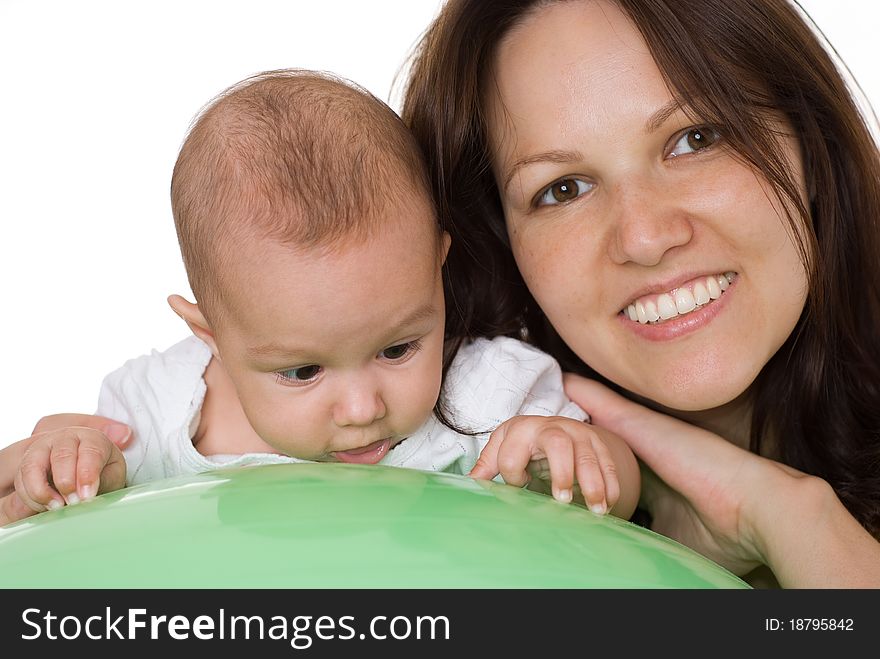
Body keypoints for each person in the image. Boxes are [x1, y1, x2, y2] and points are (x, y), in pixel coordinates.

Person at [0, 69, 639, 527]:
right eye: (302, 371)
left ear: (437, 270)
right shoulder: (155, 412)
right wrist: (74, 473)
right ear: (210, 333)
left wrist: (576, 456)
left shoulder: (486, 395)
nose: (362, 408)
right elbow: (103, 525)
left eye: (397, 348)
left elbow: (621, 498)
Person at [400, 0, 880, 587]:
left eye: (694, 138)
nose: (645, 238)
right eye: (563, 189)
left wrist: (805, 520)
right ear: (500, 245)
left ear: (809, 139)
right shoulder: (466, 536)